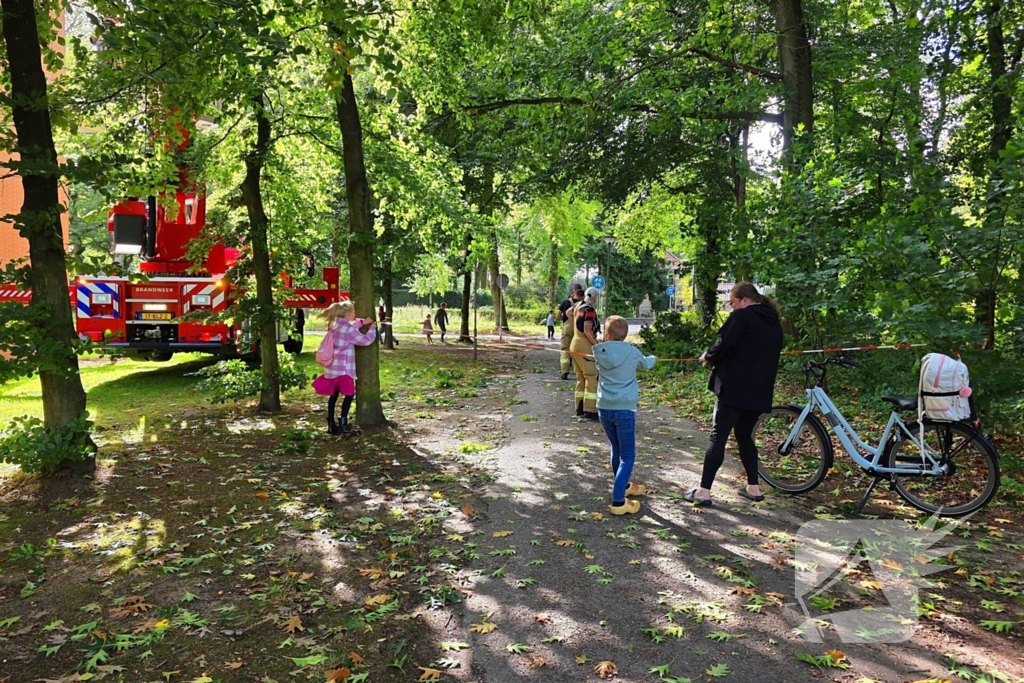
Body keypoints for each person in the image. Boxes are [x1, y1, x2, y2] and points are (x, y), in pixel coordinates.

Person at [685, 282, 784, 507]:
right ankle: (753, 487)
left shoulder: (742, 317)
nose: (731, 307)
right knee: (744, 435)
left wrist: (707, 356)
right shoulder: (774, 323)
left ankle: (703, 491)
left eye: (732, 302)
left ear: (745, 301)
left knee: (718, 436)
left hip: (734, 388)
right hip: (759, 391)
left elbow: (724, 344)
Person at [594, 316, 657, 515]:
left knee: (616, 447)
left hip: (604, 408)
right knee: (628, 455)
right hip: (625, 409)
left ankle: (623, 483)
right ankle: (619, 500)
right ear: (626, 334)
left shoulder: (600, 352)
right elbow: (645, 365)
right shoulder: (632, 352)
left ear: (607, 334)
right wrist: (653, 359)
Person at [312, 301, 377, 435]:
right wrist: (372, 329)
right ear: (348, 314)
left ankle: (331, 424)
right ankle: (344, 424)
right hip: (343, 370)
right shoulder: (347, 329)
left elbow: (351, 327)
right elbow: (365, 340)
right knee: (349, 395)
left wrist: (362, 323)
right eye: (353, 312)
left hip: (331, 370)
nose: (355, 314)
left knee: (333, 396)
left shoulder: (335, 325)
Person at [569, 286, 601, 420]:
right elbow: (588, 330)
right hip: (584, 345)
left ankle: (579, 408)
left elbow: (568, 313)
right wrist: (597, 345)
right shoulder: (589, 310)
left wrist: (575, 324)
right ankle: (591, 410)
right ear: (594, 298)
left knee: (580, 378)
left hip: (574, 343)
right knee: (591, 377)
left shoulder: (578, 306)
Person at [559, 284, 584, 380]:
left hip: (567, 327)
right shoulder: (583, 303)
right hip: (579, 327)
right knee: (577, 349)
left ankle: (564, 371)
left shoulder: (566, 302)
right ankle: (577, 371)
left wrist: (564, 320)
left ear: (574, 291)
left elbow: (558, 315)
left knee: (565, 349)